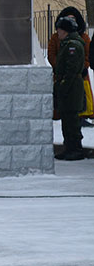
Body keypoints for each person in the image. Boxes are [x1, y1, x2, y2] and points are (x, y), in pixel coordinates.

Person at [52, 16, 86, 161]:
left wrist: (63, 86)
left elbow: (71, 69)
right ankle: (69, 148)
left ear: (65, 30)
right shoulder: (67, 44)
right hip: (67, 86)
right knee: (66, 120)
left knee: (72, 120)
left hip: (71, 88)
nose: (57, 32)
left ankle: (76, 149)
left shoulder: (73, 46)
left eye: (59, 29)